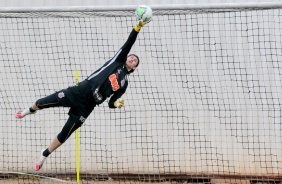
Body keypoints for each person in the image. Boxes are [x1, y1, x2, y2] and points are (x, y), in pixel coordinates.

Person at [15, 19, 151, 171]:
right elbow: (129, 42)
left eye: (135, 61)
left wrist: (116, 104)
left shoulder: (124, 84)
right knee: (45, 101)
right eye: (132, 57)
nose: (132, 59)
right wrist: (138, 27)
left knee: (66, 133)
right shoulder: (118, 60)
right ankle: (30, 110)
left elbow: (110, 103)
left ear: (134, 68)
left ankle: (45, 154)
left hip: (88, 106)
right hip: (80, 91)